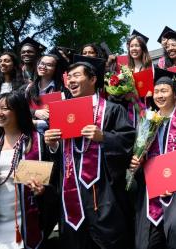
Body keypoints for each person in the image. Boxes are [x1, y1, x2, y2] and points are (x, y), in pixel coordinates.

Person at [44, 61, 136, 249]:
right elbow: (59, 159)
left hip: (104, 192)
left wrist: (104, 137)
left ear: (93, 79)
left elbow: (128, 142)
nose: (71, 81)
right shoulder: (62, 113)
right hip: (71, 193)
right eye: (69, 78)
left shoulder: (112, 109)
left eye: (77, 76)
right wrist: (53, 145)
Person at [130, 67, 176, 249]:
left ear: (175, 94)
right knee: (148, 241)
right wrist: (136, 163)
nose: (159, 95)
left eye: (164, 91)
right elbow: (138, 155)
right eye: (156, 92)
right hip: (150, 189)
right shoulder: (146, 123)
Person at [0, 91, 57, 249]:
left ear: (19, 110)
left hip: (26, 219)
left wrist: (43, 190)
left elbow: (53, 181)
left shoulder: (37, 142)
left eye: (5, 108)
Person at [25, 54, 66, 133]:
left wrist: (37, 123)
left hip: (53, 134)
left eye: (49, 65)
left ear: (56, 69)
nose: (43, 67)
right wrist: (35, 112)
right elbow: (20, 108)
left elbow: (63, 116)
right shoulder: (28, 88)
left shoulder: (62, 90)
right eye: (42, 63)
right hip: (31, 133)